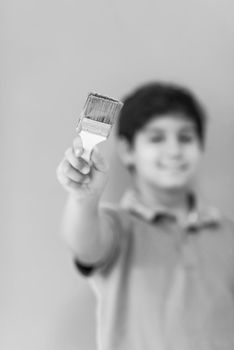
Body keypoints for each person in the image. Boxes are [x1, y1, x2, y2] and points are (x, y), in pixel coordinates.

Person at [56, 82, 234, 350]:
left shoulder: (228, 232)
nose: (174, 150)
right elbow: (84, 244)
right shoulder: (118, 227)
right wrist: (84, 198)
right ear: (127, 151)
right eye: (156, 138)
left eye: (185, 138)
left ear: (200, 147)